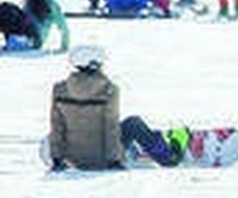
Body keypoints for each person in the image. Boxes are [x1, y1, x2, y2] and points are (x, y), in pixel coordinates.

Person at [46, 43, 189, 170]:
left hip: (73, 160)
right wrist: (114, 162)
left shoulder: (59, 89)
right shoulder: (109, 89)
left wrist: (57, 160)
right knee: (134, 123)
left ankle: (135, 148)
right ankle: (168, 158)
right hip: (103, 159)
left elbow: (57, 127)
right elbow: (110, 127)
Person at [0, 0, 69, 51]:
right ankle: (15, 41)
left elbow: (63, 26)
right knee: (5, 8)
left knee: (7, 10)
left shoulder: (50, 4)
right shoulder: (30, 1)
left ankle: (20, 42)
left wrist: (64, 46)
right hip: (23, 33)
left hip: (33, 38)